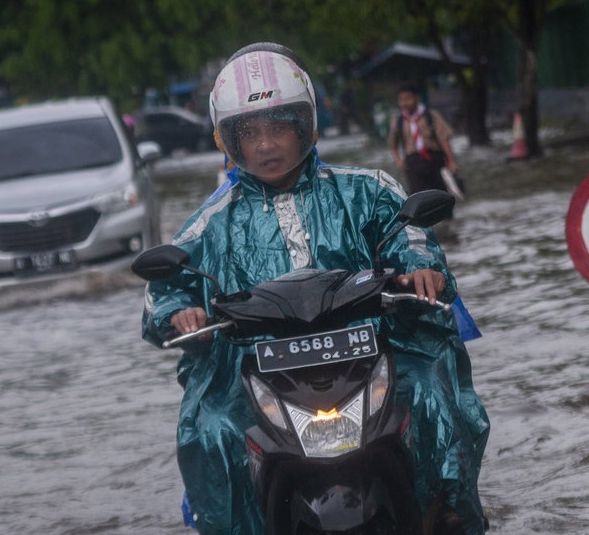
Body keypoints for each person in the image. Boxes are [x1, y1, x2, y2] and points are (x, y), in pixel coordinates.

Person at [140, 43, 490, 533]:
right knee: (213, 432)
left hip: (373, 356)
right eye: (251, 132)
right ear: (230, 141)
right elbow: (165, 289)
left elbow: (411, 238)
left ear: (306, 124)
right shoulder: (209, 224)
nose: (266, 144)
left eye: (278, 126)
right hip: (255, 376)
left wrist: (420, 270)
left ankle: (445, 510)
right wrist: (180, 314)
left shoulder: (368, 189)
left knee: (432, 391)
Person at [388, 83, 460, 194]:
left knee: (439, 194)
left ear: (416, 98)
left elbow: (444, 139)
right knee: (419, 197)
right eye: (401, 100)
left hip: (434, 160)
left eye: (408, 99)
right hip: (413, 163)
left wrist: (451, 160)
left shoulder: (430, 115)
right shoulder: (399, 121)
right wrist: (399, 161)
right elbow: (393, 145)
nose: (404, 103)